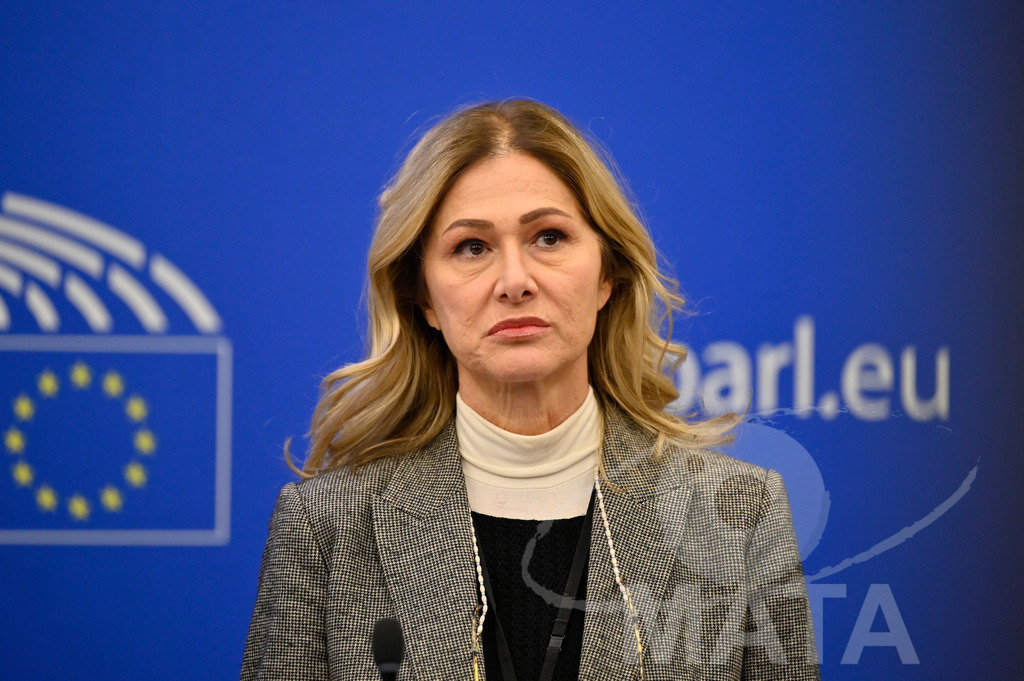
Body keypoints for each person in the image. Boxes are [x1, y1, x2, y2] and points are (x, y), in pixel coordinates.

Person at [241, 99, 819, 680]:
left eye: (548, 237)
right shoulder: (325, 527)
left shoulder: (740, 514)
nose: (515, 281)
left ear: (606, 275)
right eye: (472, 247)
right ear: (424, 298)